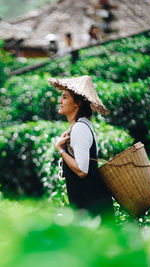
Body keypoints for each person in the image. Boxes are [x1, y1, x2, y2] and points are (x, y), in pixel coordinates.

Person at [48, 75, 114, 220]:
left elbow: (82, 170)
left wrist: (60, 150)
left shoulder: (80, 128)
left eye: (64, 97)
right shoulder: (78, 126)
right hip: (90, 205)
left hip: (93, 207)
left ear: (77, 103)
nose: (60, 101)